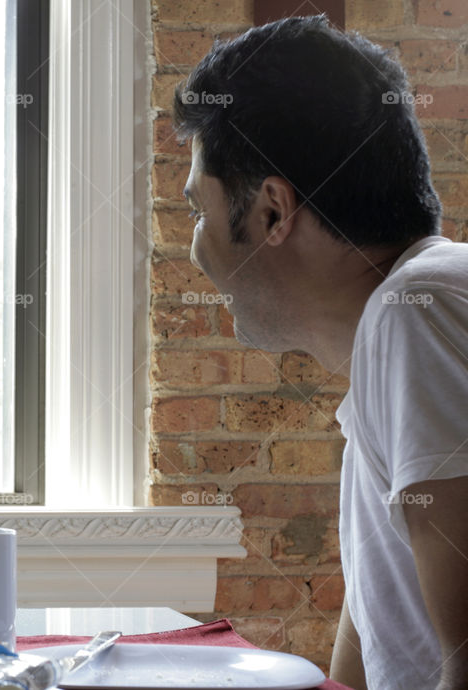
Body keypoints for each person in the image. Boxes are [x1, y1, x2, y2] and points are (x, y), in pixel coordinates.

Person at [173, 15, 468, 690]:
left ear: (273, 211)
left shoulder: (417, 314)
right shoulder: (405, 324)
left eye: (199, 211)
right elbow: (377, 642)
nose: (194, 250)